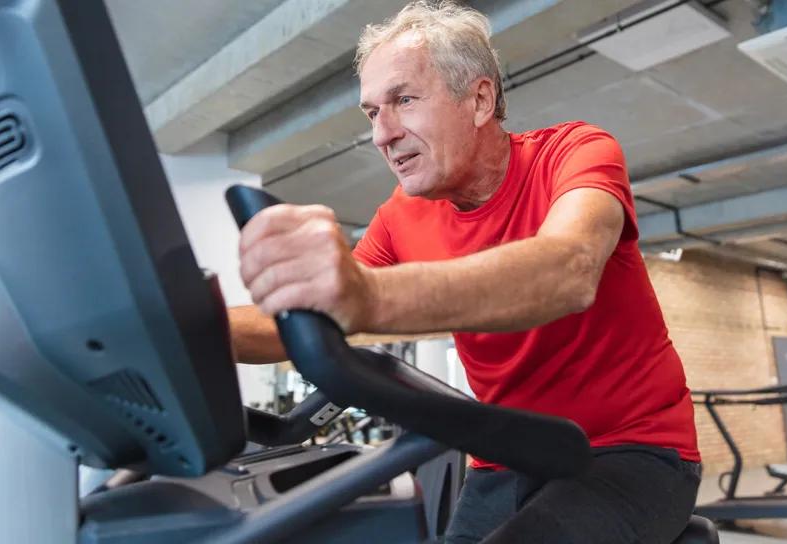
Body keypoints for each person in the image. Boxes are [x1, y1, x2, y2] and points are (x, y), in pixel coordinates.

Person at [228, 1, 700, 542]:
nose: (382, 134)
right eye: (371, 113)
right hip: (506, 452)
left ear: (478, 100)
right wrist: (180, 329)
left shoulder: (573, 153)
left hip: (631, 450)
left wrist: (364, 296)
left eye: (403, 100)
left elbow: (568, 269)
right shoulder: (399, 217)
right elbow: (312, 320)